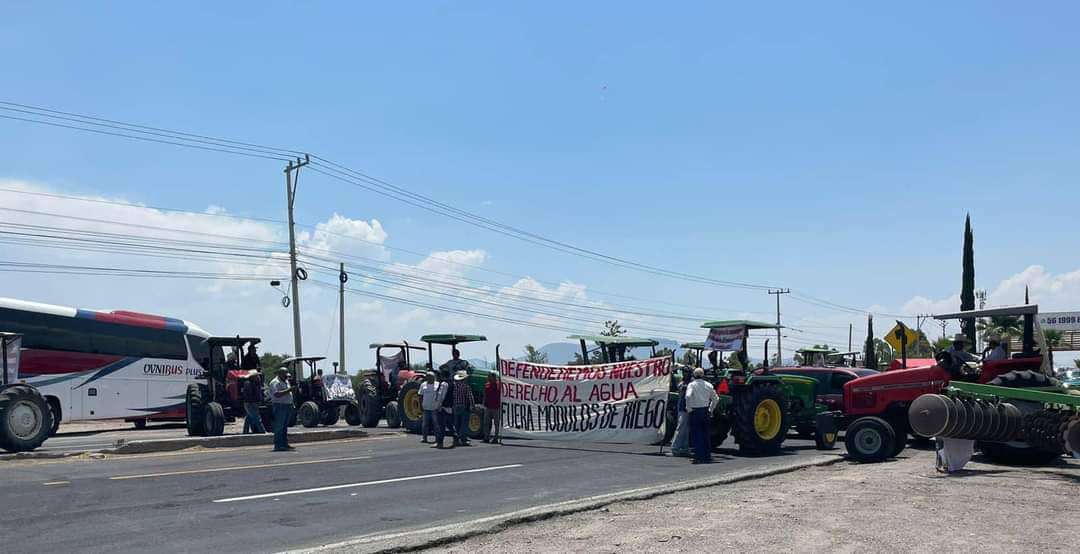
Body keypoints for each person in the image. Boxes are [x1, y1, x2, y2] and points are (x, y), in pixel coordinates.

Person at [685, 367, 719, 464]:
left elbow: (688, 396)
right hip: (705, 411)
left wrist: (689, 408)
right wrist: (710, 409)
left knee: (696, 435)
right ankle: (707, 456)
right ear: (703, 375)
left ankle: (698, 456)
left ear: (694, 375)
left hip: (695, 411)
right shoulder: (708, 385)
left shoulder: (692, 385)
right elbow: (716, 399)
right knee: (705, 434)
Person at [268, 367, 297, 451]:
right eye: (285, 375)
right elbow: (276, 394)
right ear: (280, 374)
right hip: (279, 406)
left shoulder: (286, 381)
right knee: (279, 426)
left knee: (284, 427)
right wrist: (289, 390)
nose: (286, 377)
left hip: (287, 405)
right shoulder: (275, 382)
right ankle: (278, 445)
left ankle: (284, 444)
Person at [670, 368, 692, 457]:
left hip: (687, 408)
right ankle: (677, 448)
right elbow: (678, 388)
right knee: (682, 428)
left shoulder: (690, 383)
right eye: (684, 372)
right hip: (682, 408)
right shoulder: (683, 382)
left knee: (685, 429)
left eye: (686, 372)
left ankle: (682, 448)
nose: (684, 374)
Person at [452, 370, 475, 446]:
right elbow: (470, 397)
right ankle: (463, 439)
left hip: (455, 406)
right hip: (463, 406)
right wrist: (473, 406)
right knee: (464, 424)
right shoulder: (466, 386)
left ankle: (457, 439)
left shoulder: (454, 386)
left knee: (457, 424)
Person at [241, 370, 266, 434]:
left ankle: (245, 432)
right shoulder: (248, 383)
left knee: (248, 418)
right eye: (256, 376)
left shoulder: (255, 383)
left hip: (253, 403)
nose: (258, 377)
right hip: (250, 403)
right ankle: (263, 432)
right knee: (257, 418)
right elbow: (249, 395)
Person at [436, 370, 456, 449]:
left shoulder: (444, 384)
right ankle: (456, 438)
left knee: (441, 426)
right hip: (450, 406)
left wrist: (439, 405)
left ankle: (440, 443)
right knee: (449, 424)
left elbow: (441, 395)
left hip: (443, 407)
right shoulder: (452, 383)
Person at [419, 372, 440, 444]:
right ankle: (424, 438)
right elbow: (420, 396)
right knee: (425, 424)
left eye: (430, 377)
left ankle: (437, 438)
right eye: (427, 377)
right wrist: (420, 405)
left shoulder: (438, 384)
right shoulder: (423, 385)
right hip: (426, 407)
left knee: (436, 424)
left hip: (435, 407)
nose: (428, 378)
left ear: (434, 377)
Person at [482, 373, 501, 444]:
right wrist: (483, 403)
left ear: (494, 377)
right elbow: (484, 394)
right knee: (486, 423)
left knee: (496, 423)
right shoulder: (486, 385)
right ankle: (486, 437)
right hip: (488, 407)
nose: (488, 378)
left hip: (496, 407)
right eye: (488, 377)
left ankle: (496, 438)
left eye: (490, 377)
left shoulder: (499, 385)